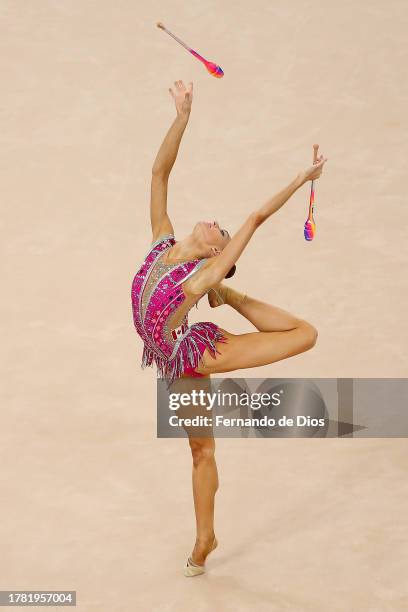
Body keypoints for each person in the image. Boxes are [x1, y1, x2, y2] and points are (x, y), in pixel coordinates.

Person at [130, 79, 328, 576]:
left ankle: (235, 298)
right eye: (216, 223)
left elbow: (256, 217)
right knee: (201, 449)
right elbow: (158, 174)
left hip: (193, 354)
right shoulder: (162, 242)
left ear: (217, 252)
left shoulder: (200, 279)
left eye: (218, 229)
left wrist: (301, 178)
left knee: (304, 334)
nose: (212, 222)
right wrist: (182, 117)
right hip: (173, 360)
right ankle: (205, 539)